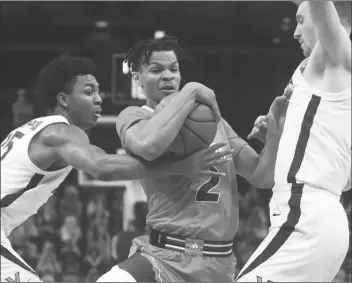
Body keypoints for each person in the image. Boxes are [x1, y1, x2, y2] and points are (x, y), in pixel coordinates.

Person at [0, 54, 233, 282]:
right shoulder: (60, 132)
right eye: (89, 92)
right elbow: (101, 167)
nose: (99, 99)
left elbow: (101, 159)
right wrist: (180, 166)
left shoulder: (34, 129)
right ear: (63, 99)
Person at [97, 36, 288, 282]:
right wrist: (191, 90)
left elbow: (262, 176)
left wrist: (274, 135)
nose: (168, 76)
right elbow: (148, 146)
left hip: (217, 262)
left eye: (173, 69)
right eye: (156, 70)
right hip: (165, 255)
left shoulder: (212, 121)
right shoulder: (135, 116)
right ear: (137, 78)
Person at [236, 1, 351, 282]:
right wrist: (281, 137)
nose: (295, 32)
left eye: (301, 20)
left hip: (305, 216)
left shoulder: (337, 56)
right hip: (321, 217)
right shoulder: (325, 77)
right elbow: (346, 180)